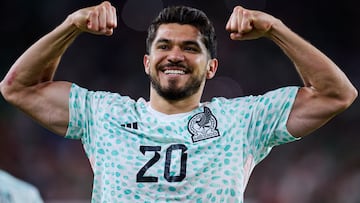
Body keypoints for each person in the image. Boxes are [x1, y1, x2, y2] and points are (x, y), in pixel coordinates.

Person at [0, 1, 357, 202]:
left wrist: (276, 28)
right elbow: (19, 87)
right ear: (146, 62)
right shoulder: (103, 113)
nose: (175, 55)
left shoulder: (244, 120)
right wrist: (70, 26)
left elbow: (337, 94)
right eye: (164, 46)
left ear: (212, 66)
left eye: (191, 48)